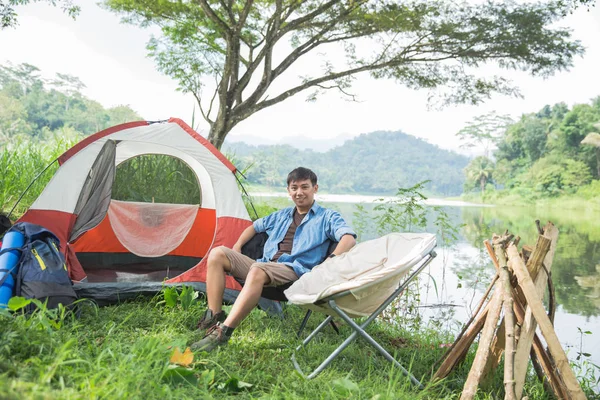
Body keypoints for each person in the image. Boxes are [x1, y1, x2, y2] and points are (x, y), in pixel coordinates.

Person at [191, 167, 356, 351]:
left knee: (258, 269)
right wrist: (237, 247)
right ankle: (213, 317)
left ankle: (223, 333)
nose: (299, 193)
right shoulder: (282, 215)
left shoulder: (327, 217)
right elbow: (254, 227)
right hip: (265, 265)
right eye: (294, 188)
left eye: (304, 187)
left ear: (314, 188)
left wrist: (330, 260)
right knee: (217, 253)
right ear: (289, 191)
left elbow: (349, 237)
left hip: (295, 271)